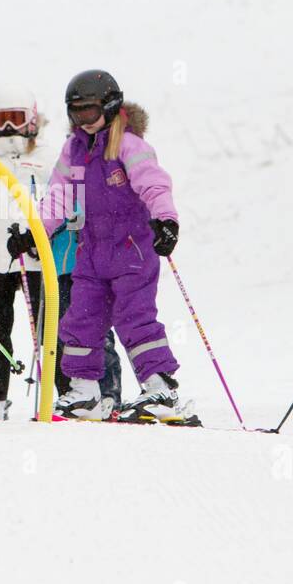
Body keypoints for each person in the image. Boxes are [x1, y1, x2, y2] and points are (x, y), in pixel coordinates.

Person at [26, 70, 191, 424]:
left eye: (90, 112)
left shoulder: (129, 144)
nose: (84, 122)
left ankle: (159, 387)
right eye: (77, 114)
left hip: (132, 248)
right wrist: (37, 233)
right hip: (92, 250)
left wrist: (166, 220)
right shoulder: (75, 150)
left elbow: (153, 183)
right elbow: (59, 194)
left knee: (135, 318)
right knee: (80, 319)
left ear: (111, 106)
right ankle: (84, 392)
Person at [0, 84, 121, 418]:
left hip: (40, 261)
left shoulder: (51, 156)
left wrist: (44, 239)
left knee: (53, 330)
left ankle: (67, 394)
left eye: (17, 119)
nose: (9, 128)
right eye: (1, 120)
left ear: (33, 120)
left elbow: (67, 202)